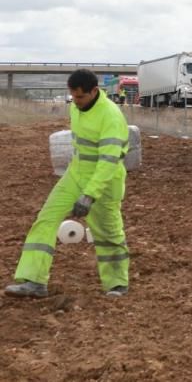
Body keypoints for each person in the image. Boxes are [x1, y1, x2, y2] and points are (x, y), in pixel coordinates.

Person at [4, 69, 131, 298]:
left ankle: (117, 284)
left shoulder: (111, 116)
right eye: (73, 97)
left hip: (105, 181)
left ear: (94, 91)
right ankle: (34, 280)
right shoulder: (76, 106)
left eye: (80, 97)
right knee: (46, 219)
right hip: (75, 174)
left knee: (108, 234)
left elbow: (108, 161)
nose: (76, 102)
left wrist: (89, 195)